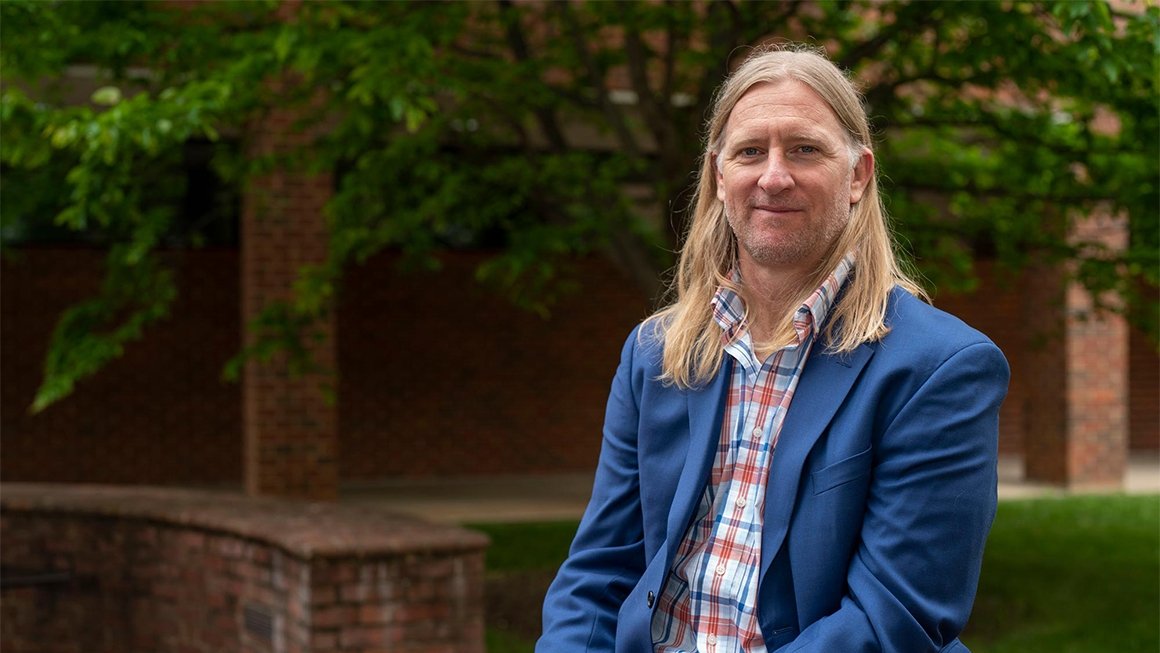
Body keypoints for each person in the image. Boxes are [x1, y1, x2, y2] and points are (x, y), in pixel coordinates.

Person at [537, 45, 1010, 653]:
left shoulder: (938, 369)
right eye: (750, 151)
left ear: (859, 175)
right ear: (719, 176)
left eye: (805, 149)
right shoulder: (657, 354)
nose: (773, 176)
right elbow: (598, 574)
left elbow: (894, 621)